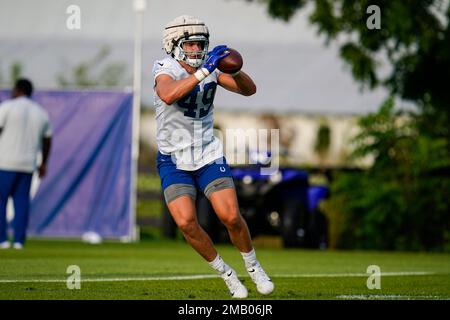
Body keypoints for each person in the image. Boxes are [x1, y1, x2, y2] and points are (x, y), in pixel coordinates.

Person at [153, 15, 274, 298]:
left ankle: (254, 267)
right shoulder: (165, 67)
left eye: (201, 44)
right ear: (174, 45)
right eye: (191, 44)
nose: (197, 49)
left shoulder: (211, 69)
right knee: (185, 223)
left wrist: (235, 68)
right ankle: (228, 275)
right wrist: (205, 70)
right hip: (173, 157)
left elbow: (249, 90)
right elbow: (169, 94)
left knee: (230, 216)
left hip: (207, 152)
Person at [0, 78, 52, 249]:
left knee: (1, 200)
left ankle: (2, 240)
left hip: (5, 163)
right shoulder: (41, 112)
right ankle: (18, 241)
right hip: (27, 164)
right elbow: (47, 141)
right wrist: (43, 163)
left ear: (18, 90)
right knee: (21, 202)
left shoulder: (7, 107)